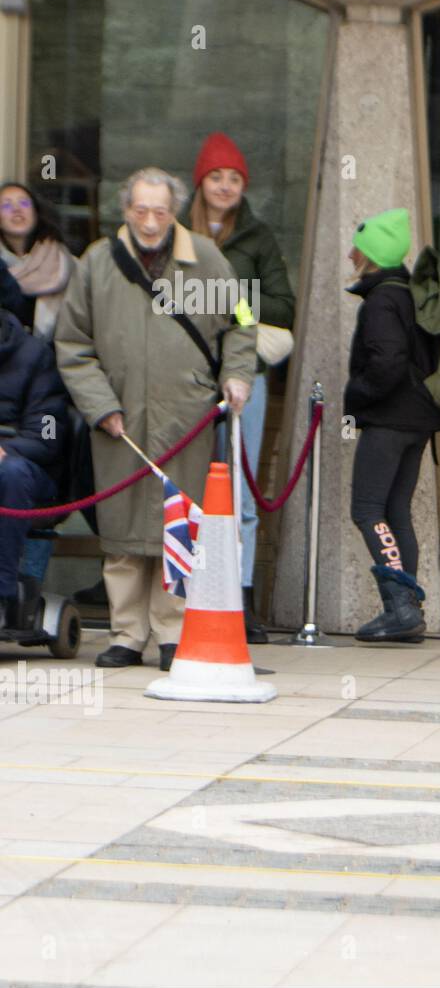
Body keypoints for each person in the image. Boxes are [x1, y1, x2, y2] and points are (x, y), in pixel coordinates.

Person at [55, 168, 257, 671]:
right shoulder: (97, 263)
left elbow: (242, 323)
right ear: (125, 211)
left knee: (178, 527)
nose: (149, 221)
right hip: (118, 421)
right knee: (122, 534)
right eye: (140, 210)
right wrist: (100, 406)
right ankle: (126, 633)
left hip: (184, 418)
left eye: (160, 211)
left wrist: (237, 374)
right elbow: (73, 345)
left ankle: (173, 630)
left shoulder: (206, 260)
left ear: (174, 212)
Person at [181, 133, 296, 644]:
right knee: (184, 488)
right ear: (199, 183)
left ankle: (242, 597)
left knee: (244, 496)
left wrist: (229, 299)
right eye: (216, 177)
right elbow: (162, 299)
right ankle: (181, 595)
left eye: (234, 178)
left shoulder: (259, 236)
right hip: (184, 379)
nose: (225, 186)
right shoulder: (176, 234)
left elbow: (283, 307)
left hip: (246, 378)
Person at [343, 208, 440, 643]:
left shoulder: (383, 299)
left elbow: (387, 361)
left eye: (357, 248)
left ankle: (399, 606)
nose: (350, 255)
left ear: (371, 256)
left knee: (367, 510)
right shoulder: (408, 293)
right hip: (417, 419)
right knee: (396, 509)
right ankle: (409, 609)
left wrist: (357, 393)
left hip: (389, 419)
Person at [0, 308, 68, 625]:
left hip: (25, 467)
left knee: (10, 472)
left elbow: (48, 436)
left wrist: (5, 449)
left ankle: (3, 594)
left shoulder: (36, 355)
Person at [0, 181, 79, 340]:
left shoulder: (66, 264)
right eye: (6, 206)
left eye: (24, 202)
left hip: (53, 359)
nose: (17, 209)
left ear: (36, 211)